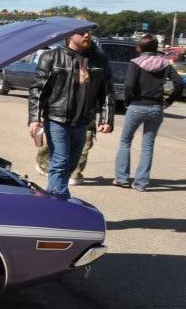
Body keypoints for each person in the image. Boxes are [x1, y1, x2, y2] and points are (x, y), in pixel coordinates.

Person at [27, 27, 114, 198]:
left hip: (82, 122)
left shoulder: (100, 61)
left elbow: (107, 91)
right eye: (82, 32)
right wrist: (34, 119)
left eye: (88, 32)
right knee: (60, 163)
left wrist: (106, 118)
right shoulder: (51, 57)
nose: (87, 35)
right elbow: (38, 90)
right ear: (69, 35)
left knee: (70, 165)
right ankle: (60, 205)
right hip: (56, 119)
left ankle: (50, 202)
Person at [114, 34, 184, 190]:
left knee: (126, 141)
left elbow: (129, 86)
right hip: (157, 107)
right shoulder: (165, 64)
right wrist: (169, 100)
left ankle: (122, 178)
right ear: (155, 48)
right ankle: (141, 183)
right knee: (148, 145)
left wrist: (128, 100)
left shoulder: (135, 63)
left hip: (137, 105)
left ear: (139, 48)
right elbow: (179, 83)